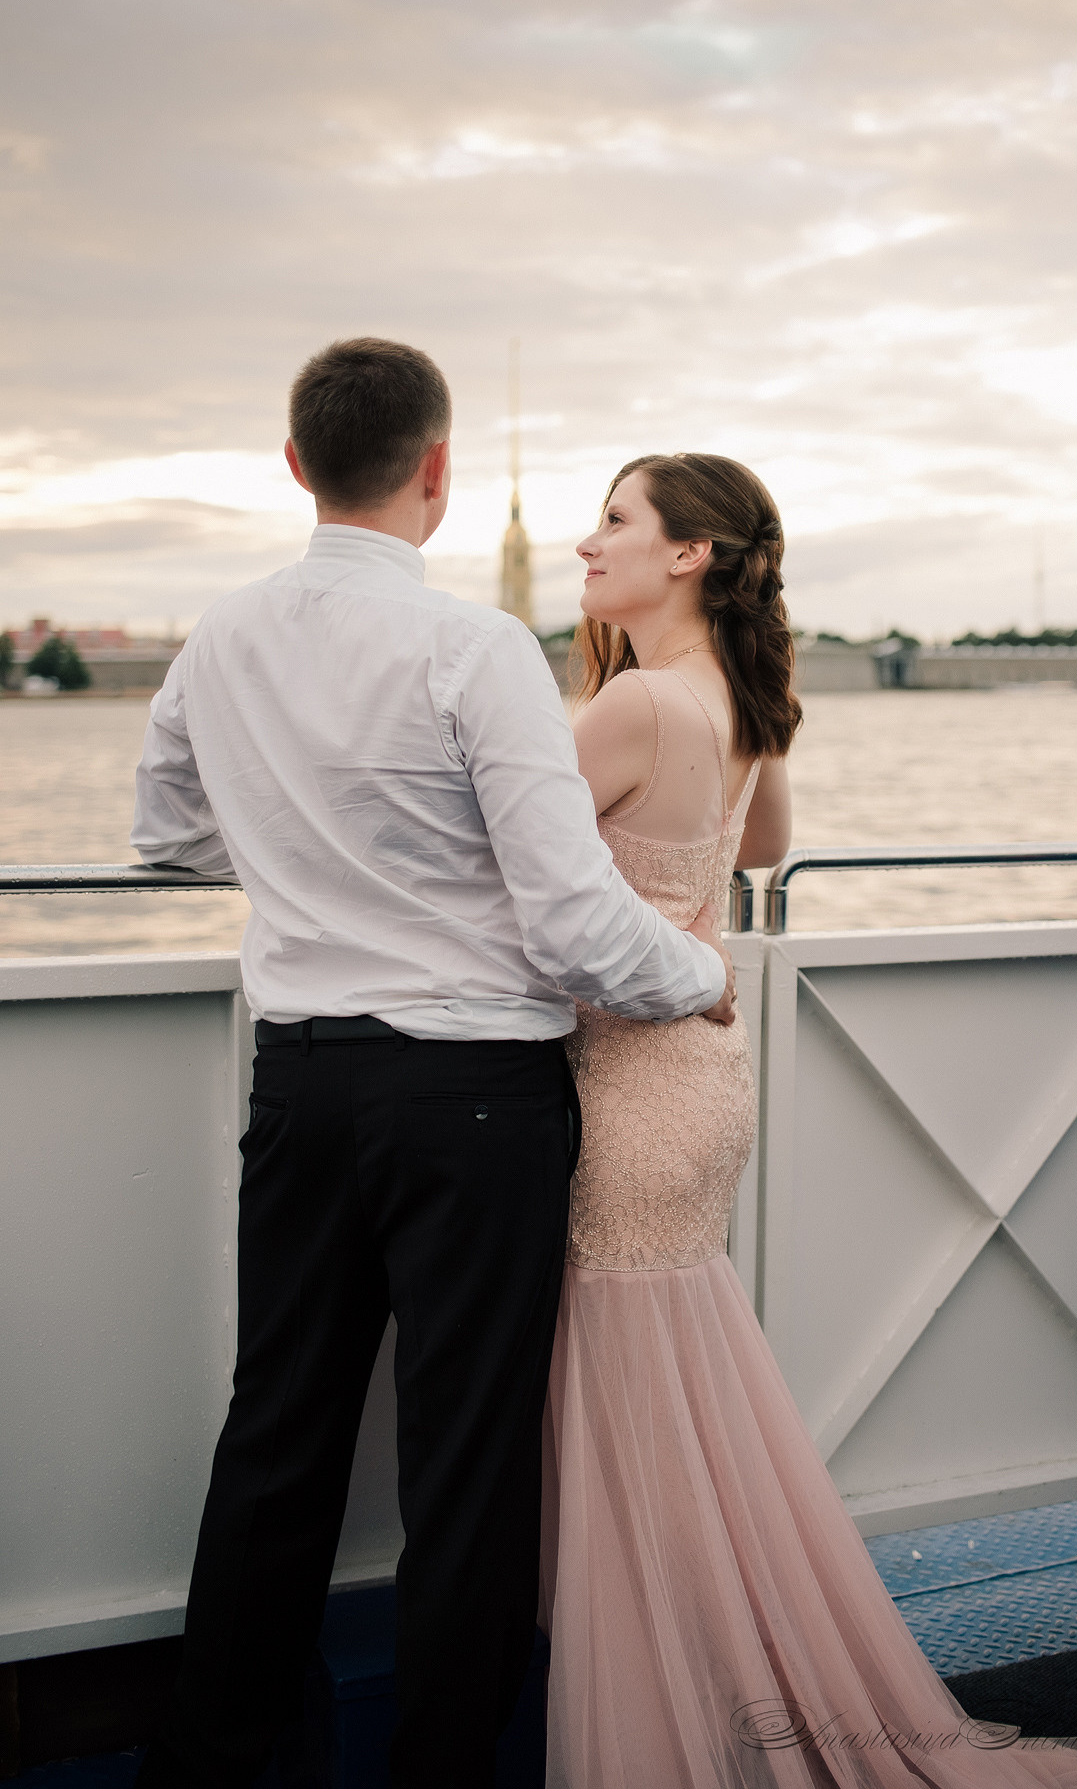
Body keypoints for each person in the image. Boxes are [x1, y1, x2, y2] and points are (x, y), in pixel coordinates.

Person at [128, 339, 738, 1789]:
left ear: (297, 468)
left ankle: (221, 1763)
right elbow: (572, 915)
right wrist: (701, 976)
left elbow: (165, 837)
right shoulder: (473, 652)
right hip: (472, 1098)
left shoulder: (219, 638)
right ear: (438, 473)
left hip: (302, 1084)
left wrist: (300, 849)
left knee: (277, 1431)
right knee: (466, 1462)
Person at [538, 453, 1077, 1789]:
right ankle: (723, 1680)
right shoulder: (734, 698)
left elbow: (486, 858)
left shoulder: (631, 703)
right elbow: (751, 854)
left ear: (688, 554)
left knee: (632, 1417)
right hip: (700, 1085)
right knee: (685, 1396)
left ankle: (664, 1726)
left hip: (625, 1085)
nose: (587, 543)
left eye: (614, 522)